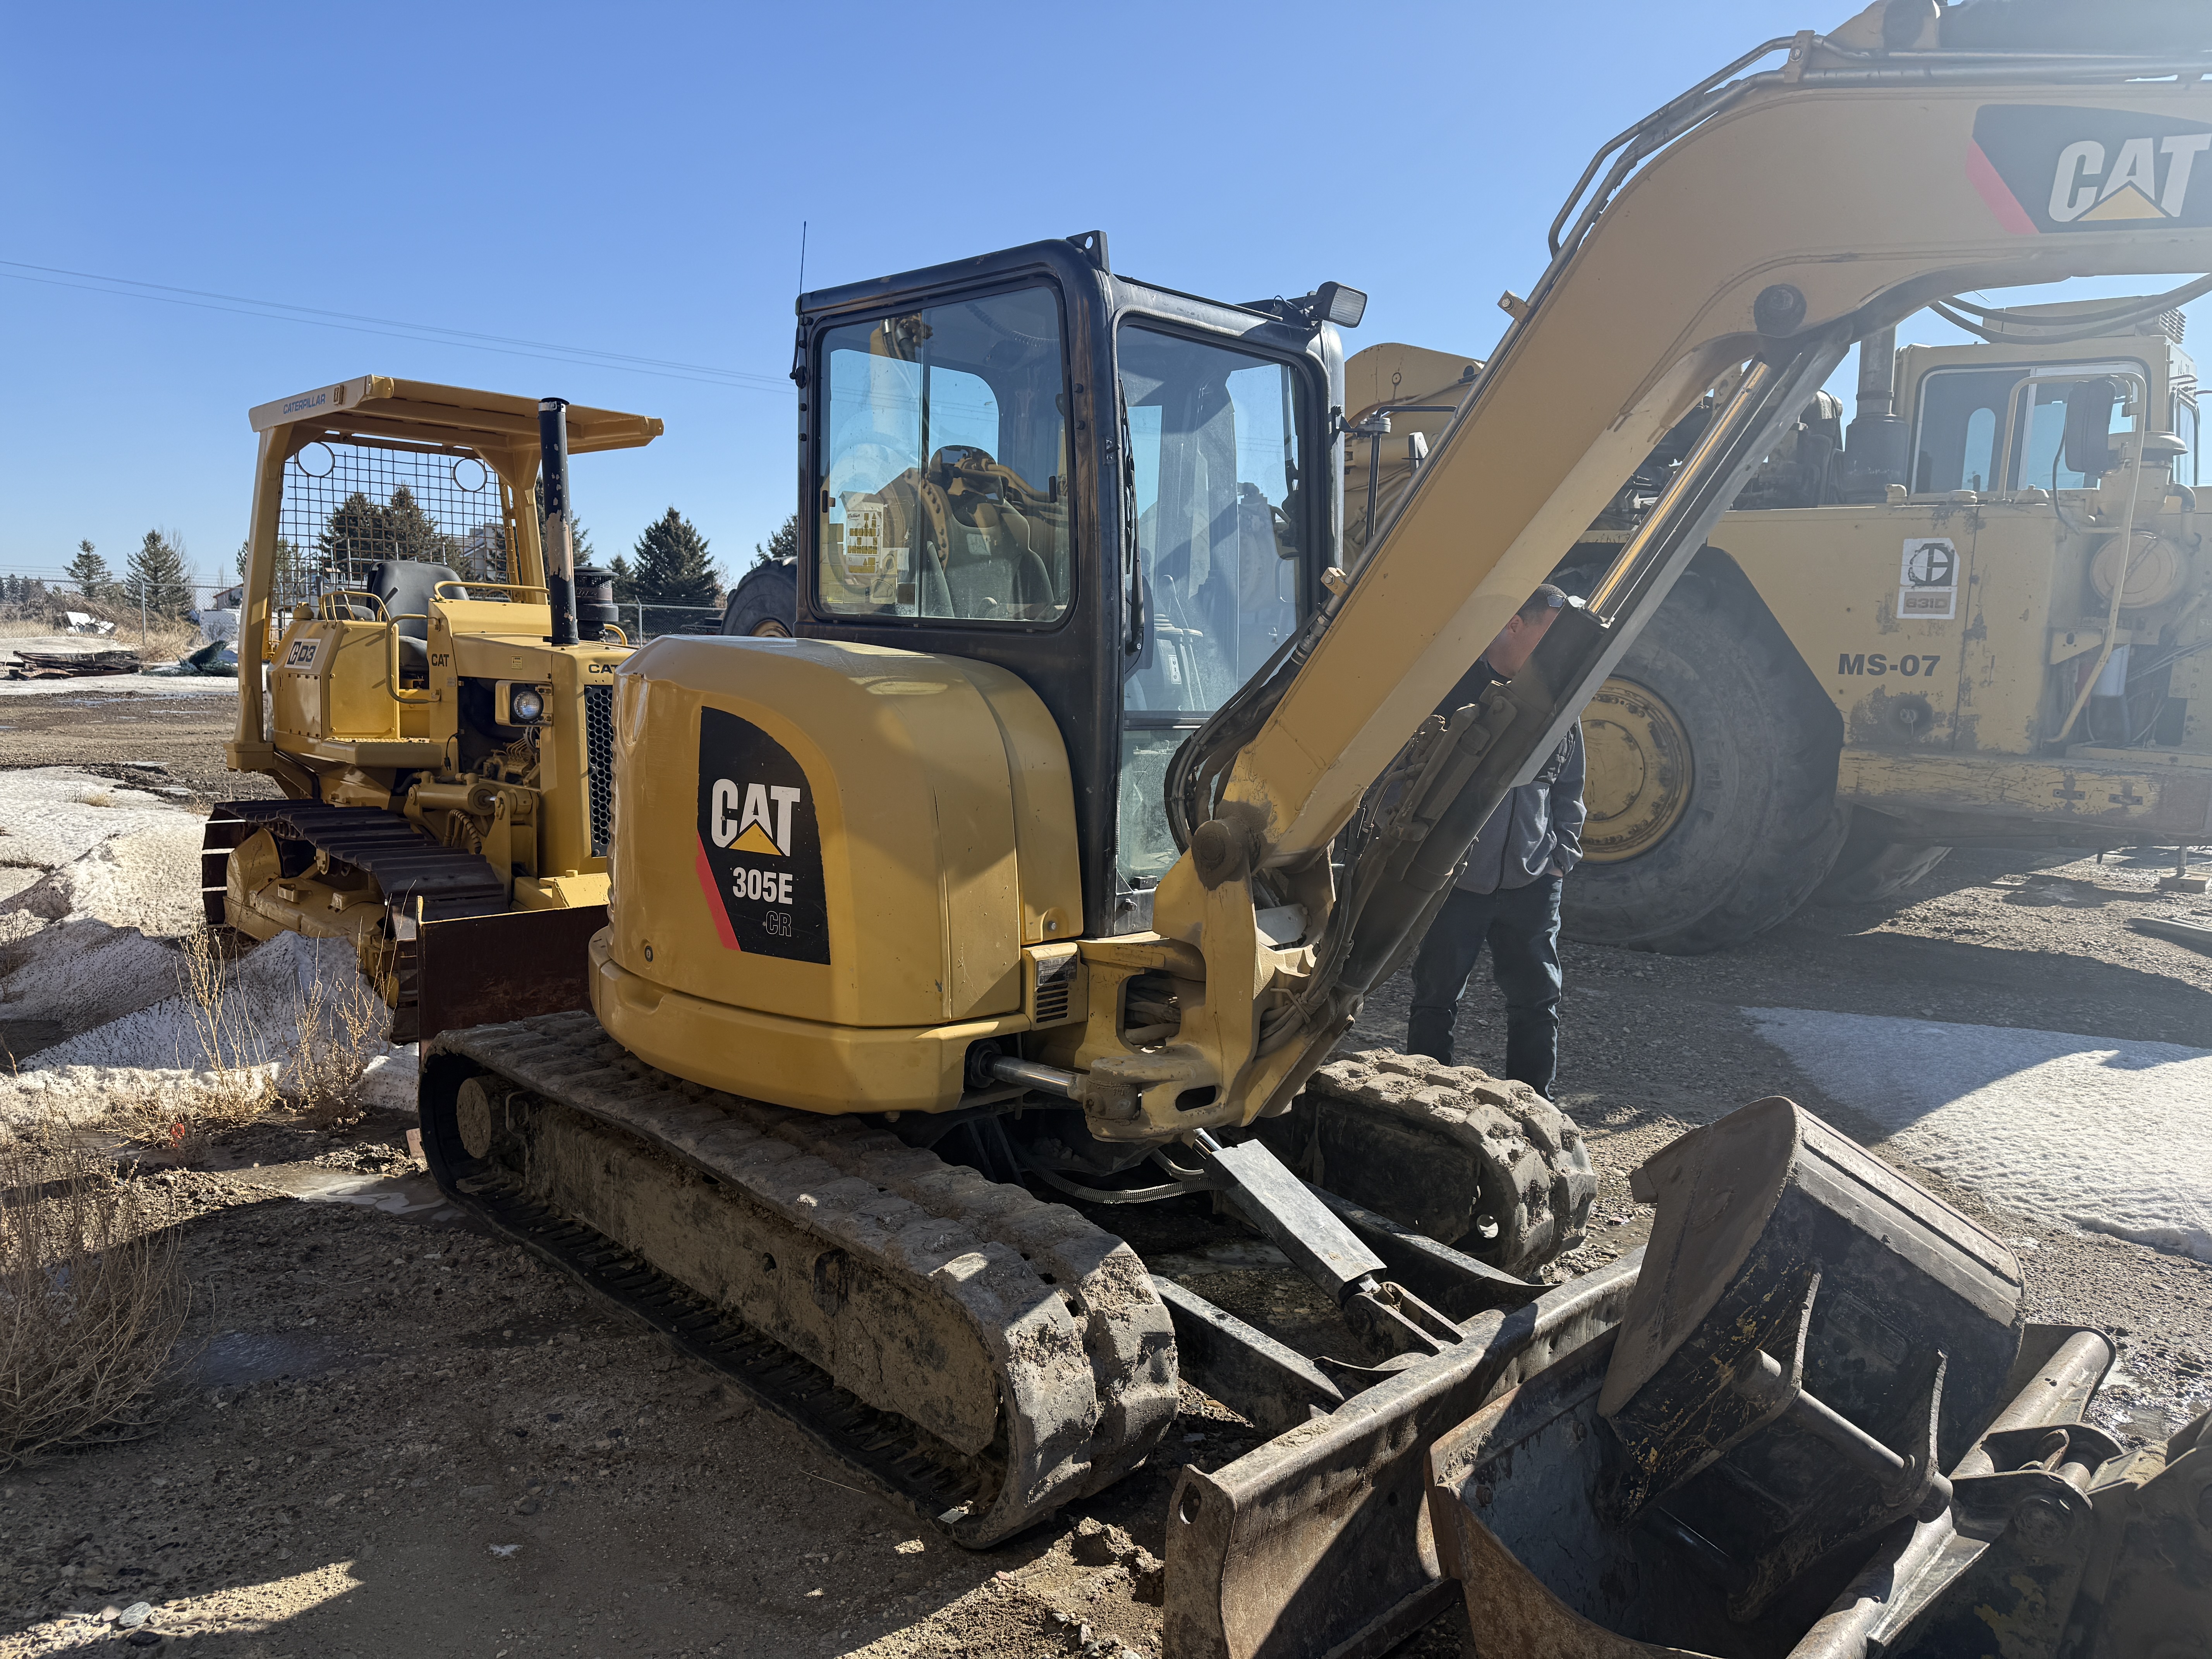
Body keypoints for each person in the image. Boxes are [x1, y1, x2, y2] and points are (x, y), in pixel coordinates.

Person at [1405, 584, 1586, 1097]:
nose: (1556, 649)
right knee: (1435, 996)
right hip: (1454, 883)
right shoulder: (1450, 689)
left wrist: (1560, 858)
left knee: (1537, 1000)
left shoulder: (1558, 698)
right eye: (1547, 634)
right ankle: (1426, 1102)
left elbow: (1570, 784)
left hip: (1532, 882)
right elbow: (1404, 776)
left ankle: (1535, 1107)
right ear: (1514, 624)